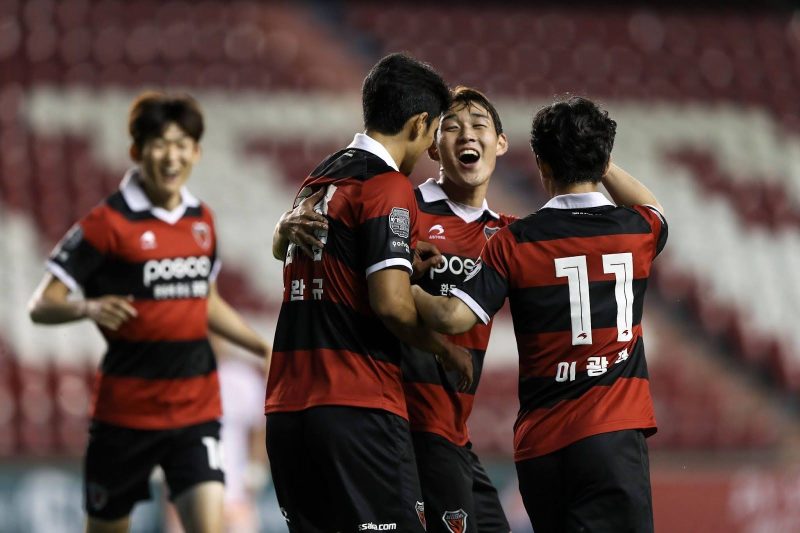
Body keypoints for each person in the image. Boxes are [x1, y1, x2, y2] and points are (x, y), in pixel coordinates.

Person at [411, 96, 668, 533]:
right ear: (602, 159)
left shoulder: (514, 240)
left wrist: (403, 285)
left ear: (540, 165)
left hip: (541, 450)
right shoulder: (637, 231)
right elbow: (656, 209)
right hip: (612, 437)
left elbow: (453, 317)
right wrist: (600, 163)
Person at [27, 92, 272, 533]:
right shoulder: (106, 224)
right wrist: (89, 306)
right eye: (160, 143)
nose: (172, 155)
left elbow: (206, 300)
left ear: (196, 151)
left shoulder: (203, 221)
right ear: (137, 150)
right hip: (126, 414)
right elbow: (42, 304)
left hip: (195, 410)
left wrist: (261, 347)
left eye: (182, 144)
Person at [276, 85, 513, 533]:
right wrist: (283, 225)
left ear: (500, 143)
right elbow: (341, 249)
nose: (467, 135)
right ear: (432, 142)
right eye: (452, 127)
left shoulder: (507, 234)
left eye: (479, 125)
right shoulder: (404, 204)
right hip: (401, 424)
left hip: (453, 431)